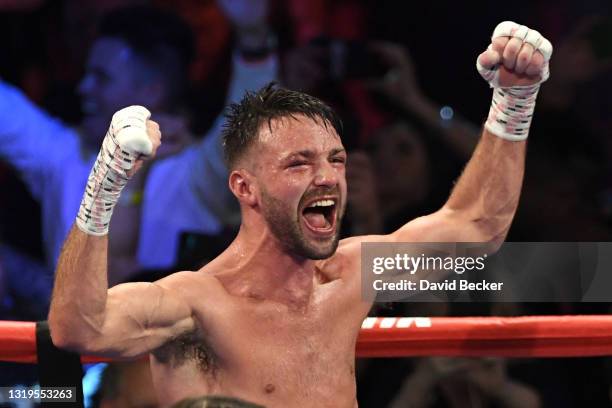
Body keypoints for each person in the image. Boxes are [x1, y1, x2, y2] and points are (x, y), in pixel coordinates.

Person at [49, 22, 552, 407]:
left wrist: (514, 98)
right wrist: (105, 184)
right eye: (299, 163)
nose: (328, 176)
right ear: (244, 188)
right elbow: (79, 330)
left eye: (335, 159)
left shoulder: (353, 274)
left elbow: (478, 227)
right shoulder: (196, 303)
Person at [0, 4, 277, 284]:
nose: (83, 88)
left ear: (151, 91)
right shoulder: (64, 155)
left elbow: (250, 126)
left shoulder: (195, 171)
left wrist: (253, 38)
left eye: (101, 77)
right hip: (67, 326)